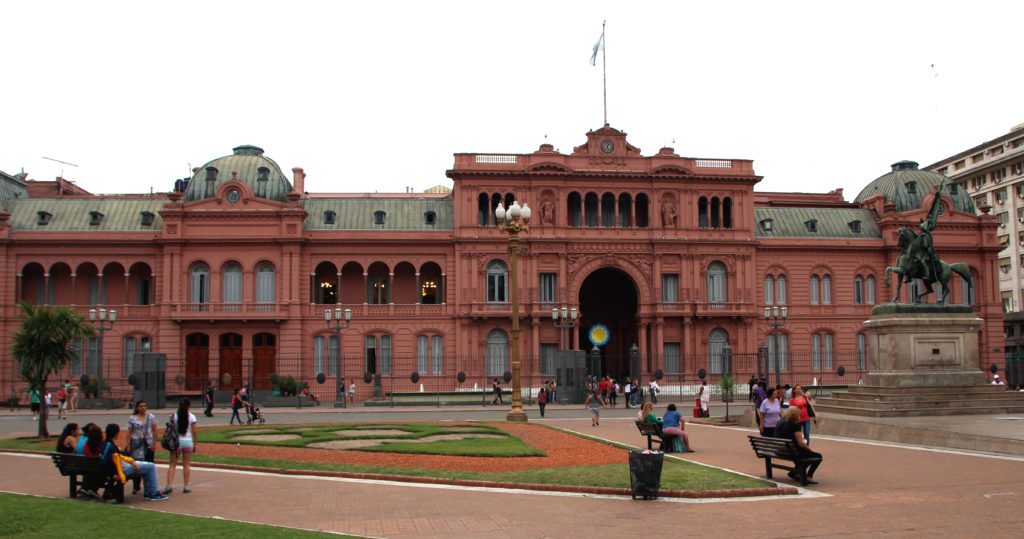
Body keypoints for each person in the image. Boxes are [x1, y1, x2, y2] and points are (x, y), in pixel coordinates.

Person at [100, 423, 167, 502]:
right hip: (122, 469)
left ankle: (149, 493)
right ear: (116, 433)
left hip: (123, 466)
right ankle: (153, 493)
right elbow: (103, 461)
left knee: (146, 466)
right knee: (151, 466)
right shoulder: (109, 446)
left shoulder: (107, 444)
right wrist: (111, 474)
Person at [775, 406, 823, 484]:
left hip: (784, 450)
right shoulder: (795, 426)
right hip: (793, 451)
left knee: (808, 456)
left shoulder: (784, 424)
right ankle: (809, 476)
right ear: (797, 415)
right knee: (818, 456)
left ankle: (795, 472)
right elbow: (801, 443)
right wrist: (810, 449)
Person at [164, 398, 197, 494]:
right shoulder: (192, 416)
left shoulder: (174, 416)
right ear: (189, 406)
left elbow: (171, 429)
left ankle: (169, 485)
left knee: (172, 464)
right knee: (186, 464)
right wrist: (195, 443)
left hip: (176, 442)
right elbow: (194, 432)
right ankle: (186, 486)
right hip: (188, 441)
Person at [127, 400, 159, 495]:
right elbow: (129, 432)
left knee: (149, 464)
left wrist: (154, 444)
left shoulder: (151, 417)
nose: (143, 408)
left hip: (148, 444)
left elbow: (155, 431)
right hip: (136, 444)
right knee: (137, 465)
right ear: (137, 407)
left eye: (144, 406)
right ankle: (136, 485)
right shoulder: (133, 419)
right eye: (141, 406)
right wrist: (128, 444)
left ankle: (148, 487)